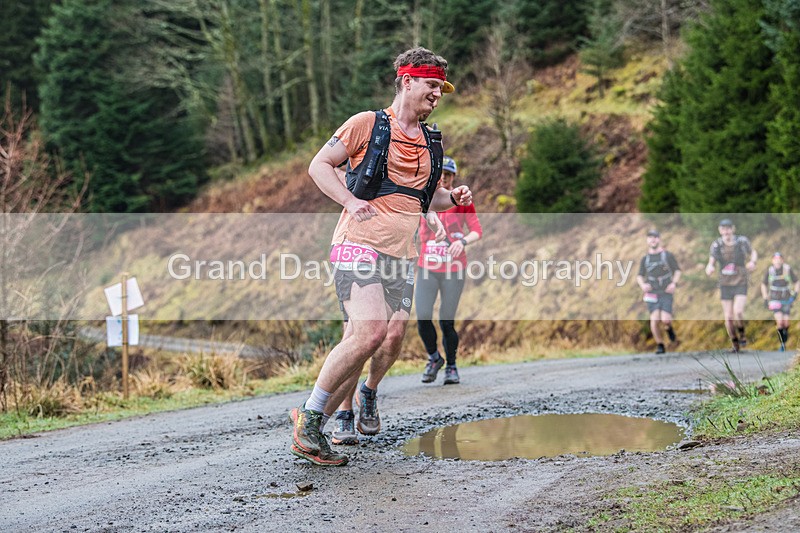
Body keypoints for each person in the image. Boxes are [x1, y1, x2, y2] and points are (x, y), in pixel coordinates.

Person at [290, 47, 472, 467]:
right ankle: (311, 420)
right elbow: (320, 165)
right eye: (431, 86)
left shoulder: (430, 142)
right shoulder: (365, 124)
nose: (437, 95)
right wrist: (350, 200)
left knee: (373, 339)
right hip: (357, 243)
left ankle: (313, 421)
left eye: (442, 89)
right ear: (407, 81)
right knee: (369, 331)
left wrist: (452, 198)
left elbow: (425, 200)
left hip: (400, 257)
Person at [416, 155, 483, 384]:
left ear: (453, 177)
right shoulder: (424, 197)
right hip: (427, 267)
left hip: (454, 268)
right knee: (422, 316)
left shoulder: (462, 200)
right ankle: (434, 358)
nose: (444, 177)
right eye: (441, 173)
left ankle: (452, 367)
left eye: (448, 174)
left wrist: (461, 242)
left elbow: (477, 231)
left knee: (446, 320)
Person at [705, 219, 757, 352]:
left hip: (740, 280)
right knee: (728, 316)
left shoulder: (742, 241)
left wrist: (752, 262)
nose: (726, 231)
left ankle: (742, 333)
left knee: (738, 311)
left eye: (728, 228)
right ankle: (734, 342)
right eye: (723, 229)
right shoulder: (717, 245)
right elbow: (712, 260)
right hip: (725, 283)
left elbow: (753, 252)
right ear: (720, 230)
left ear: (732, 229)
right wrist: (710, 267)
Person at [635, 229, 681, 354]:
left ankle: (669, 328)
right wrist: (643, 285)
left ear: (659, 239)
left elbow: (677, 270)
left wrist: (673, 283)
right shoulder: (645, 259)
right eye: (650, 237)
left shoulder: (667, 255)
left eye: (655, 237)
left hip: (666, 291)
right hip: (652, 293)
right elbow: (639, 275)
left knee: (665, 319)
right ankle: (660, 344)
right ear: (647, 240)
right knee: (654, 320)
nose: (653, 240)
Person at [760, 252, 799, 351]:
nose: (777, 260)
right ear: (772, 260)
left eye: (779, 258)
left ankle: (784, 340)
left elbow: (797, 281)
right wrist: (765, 297)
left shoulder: (787, 269)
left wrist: (795, 293)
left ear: (782, 260)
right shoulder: (770, 270)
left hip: (786, 299)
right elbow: (763, 284)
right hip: (774, 299)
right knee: (780, 322)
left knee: (786, 323)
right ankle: (782, 344)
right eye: (775, 258)